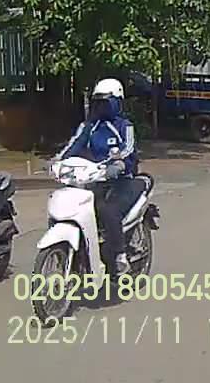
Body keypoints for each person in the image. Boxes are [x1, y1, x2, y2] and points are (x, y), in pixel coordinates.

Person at [55, 78, 139, 275]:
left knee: (108, 210)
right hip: (94, 178)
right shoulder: (89, 126)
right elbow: (74, 145)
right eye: (98, 102)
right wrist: (58, 161)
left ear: (117, 102)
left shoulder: (124, 126)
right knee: (75, 207)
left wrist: (118, 164)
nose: (101, 107)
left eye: (106, 102)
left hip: (122, 180)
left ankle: (119, 255)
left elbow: (128, 149)